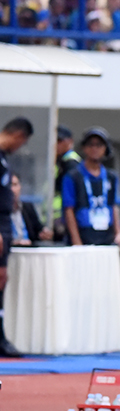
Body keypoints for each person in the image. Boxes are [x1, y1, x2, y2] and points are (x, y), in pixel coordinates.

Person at [62, 127, 120, 353]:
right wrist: (76, 240)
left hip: (105, 234)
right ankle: (81, 333)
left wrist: (119, 233)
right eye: (90, 145)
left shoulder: (111, 177)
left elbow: (112, 206)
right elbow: (69, 209)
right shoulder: (74, 176)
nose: (94, 149)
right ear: (84, 148)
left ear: (105, 149)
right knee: (83, 285)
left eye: (99, 145)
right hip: (85, 232)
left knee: (112, 286)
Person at [0, 118, 34, 358]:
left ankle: (1, 336)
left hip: (4, 221)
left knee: (1, 281)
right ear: (19, 135)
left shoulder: (3, 157)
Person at [54, 125, 81, 243]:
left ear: (69, 142)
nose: (56, 144)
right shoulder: (59, 160)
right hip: (56, 216)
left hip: (62, 216)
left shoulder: (70, 163)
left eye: (60, 141)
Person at [10, 173, 52, 245]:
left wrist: (44, 233)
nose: (13, 190)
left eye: (15, 185)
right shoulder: (2, 212)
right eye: (10, 185)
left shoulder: (27, 207)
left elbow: (38, 229)